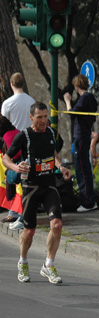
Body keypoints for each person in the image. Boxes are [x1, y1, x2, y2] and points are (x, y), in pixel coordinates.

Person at [2, 102, 72, 284]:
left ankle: (48, 265)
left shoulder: (50, 132)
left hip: (49, 186)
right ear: (31, 117)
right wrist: (16, 167)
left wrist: (61, 166)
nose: (43, 120)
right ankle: (23, 262)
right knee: (29, 230)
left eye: (45, 116)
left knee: (56, 225)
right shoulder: (24, 136)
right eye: (39, 117)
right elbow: (6, 158)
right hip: (30, 188)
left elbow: (53, 153)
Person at [1, 72, 35, 225]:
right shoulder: (31, 101)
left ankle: (14, 211)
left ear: (11, 84)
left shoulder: (7, 103)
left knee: (13, 178)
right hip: (30, 143)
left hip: (13, 144)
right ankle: (23, 209)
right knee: (25, 178)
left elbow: (3, 124)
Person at [63, 74, 98, 212]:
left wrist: (67, 101)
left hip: (81, 137)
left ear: (77, 86)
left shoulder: (85, 98)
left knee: (82, 169)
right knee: (83, 168)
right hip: (83, 136)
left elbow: (72, 113)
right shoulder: (90, 98)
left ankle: (88, 202)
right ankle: (89, 199)